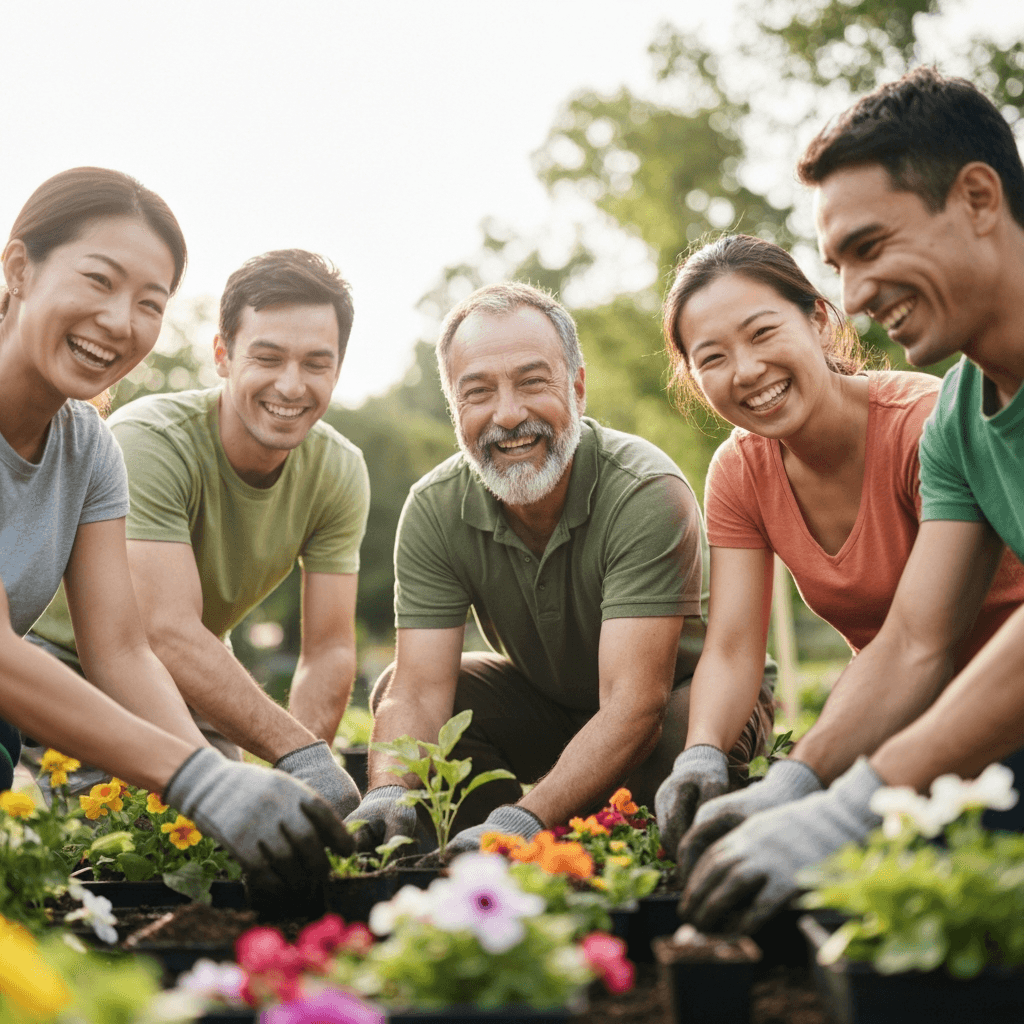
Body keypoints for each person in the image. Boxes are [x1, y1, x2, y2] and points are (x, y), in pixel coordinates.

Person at [673, 65, 1024, 934]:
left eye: (871, 248)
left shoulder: (911, 424)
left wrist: (859, 799)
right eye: (841, 265)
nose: (858, 297)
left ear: (978, 196)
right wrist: (797, 784)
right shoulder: (960, 420)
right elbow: (912, 641)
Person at [0, 167, 352, 898]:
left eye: (149, 303)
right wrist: (194, 775)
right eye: (98, 280)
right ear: (18, 267)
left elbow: (123, 649)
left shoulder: (89, 447)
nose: (120, 321)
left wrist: (209, 786)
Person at [342, 281, 775, 856]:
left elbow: (633, 706)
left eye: (532, 382)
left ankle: (636, 862)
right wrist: (387, 794)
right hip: (554, 705)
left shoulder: (644, 490)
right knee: (418, 693)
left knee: (681, 728)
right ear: (454, 409)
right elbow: (419, 690)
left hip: (680, 698)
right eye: (478, 392)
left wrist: (523, 821)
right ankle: (469, 866)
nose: (509, 414)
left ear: (576, 387)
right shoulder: (434, 507)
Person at [653, 233, 1024, 862]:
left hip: (999, 707)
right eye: (712, 357)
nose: (746, 370)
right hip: (889, 718)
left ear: (820, 320)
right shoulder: (740, 471)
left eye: (762, 332)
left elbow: (916, 639)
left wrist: (804, 780)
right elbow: (735, 645)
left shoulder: (923, 425)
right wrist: (703, 751)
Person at [28, 249, 369, 818]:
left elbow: (329, 648)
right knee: (115, 838)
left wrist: (308, 776)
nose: (292, 385)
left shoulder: (339, 470)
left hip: (191, 683)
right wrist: (296, 753)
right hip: (66, 667)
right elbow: (165, 631)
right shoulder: (152, 440)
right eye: (268, 357)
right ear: (222, 355)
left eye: (317, 363)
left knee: (237, 841)